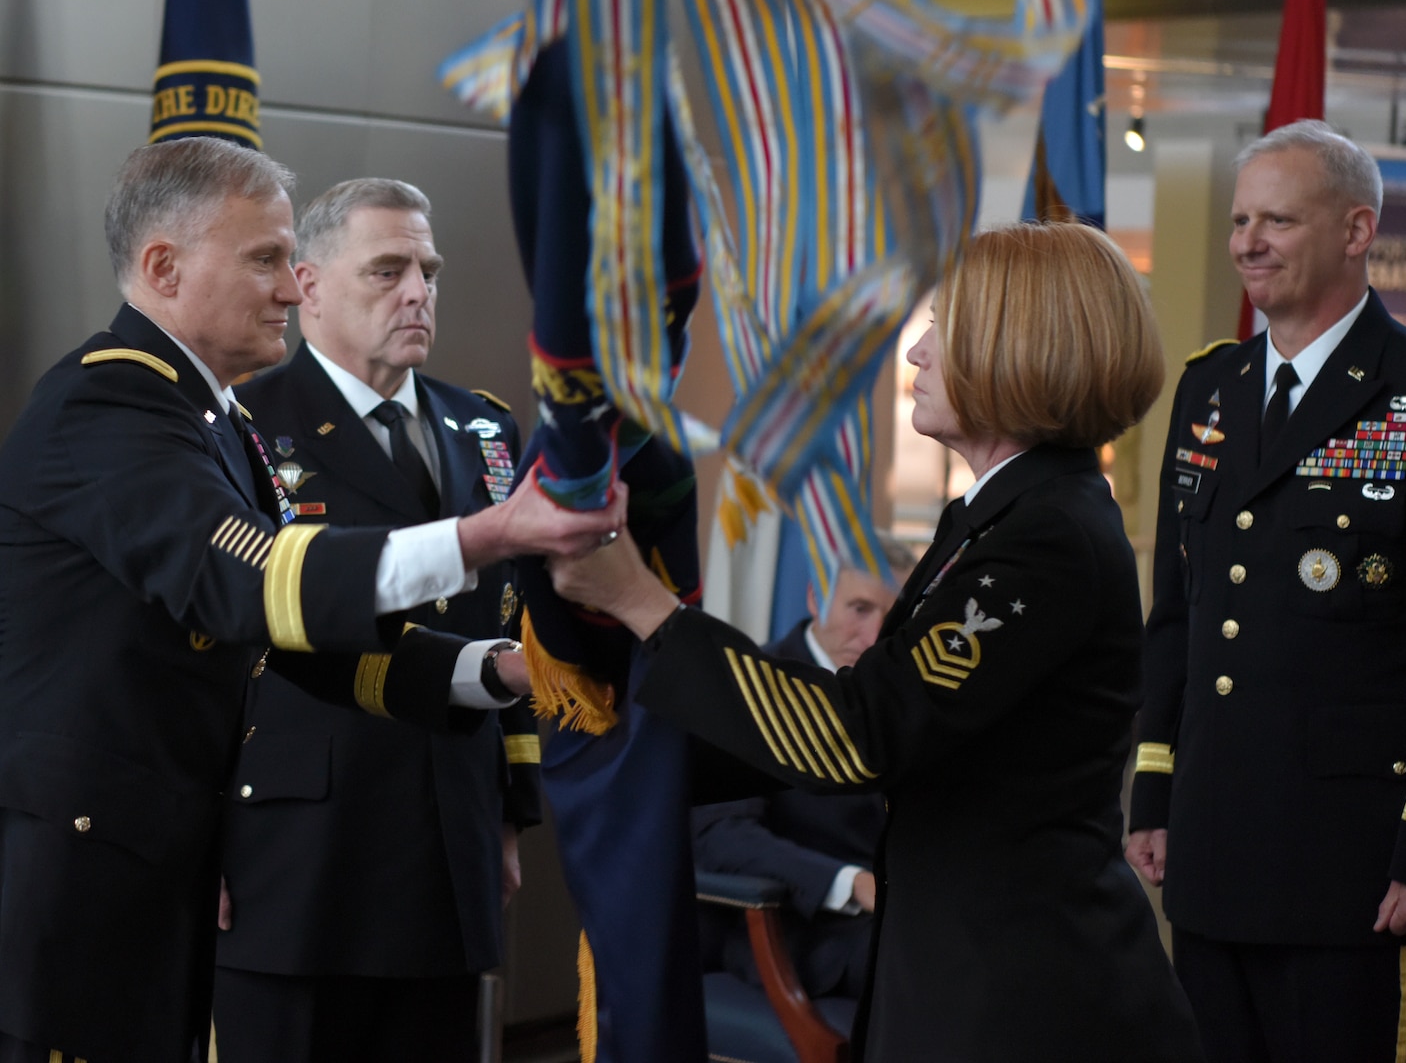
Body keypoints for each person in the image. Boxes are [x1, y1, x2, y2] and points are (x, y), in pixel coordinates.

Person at [0, 137, 622, 1063]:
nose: (291, 289)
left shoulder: (207, 415)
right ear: (164, 267)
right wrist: (491, 534)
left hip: (153, 866)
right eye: (263, 260)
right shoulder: (112, 406)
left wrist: (490, 672)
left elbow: (293, 644)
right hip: (84, 886)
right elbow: (261, 583)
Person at [550, 222, 1205, 1062]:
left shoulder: (1045, 537)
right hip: (961, 969)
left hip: (1023, 996)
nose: (919, 353)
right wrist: (615, 743)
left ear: (1017, 347)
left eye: (945, 326)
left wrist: (643, 604)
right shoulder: (1001, 518)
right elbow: (845, 734)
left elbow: (860, 734)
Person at [1126, 119, 1406, 1062]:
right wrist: (1155, 792)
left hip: (1362, 874)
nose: (1249, 243)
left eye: (1279, 221)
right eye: (1241, 219)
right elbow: (1177, 610)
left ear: (1357, 229)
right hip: (1216, 856)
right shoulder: (1209, 389)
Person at [212, 178, 541, 1063]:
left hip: (448, 827)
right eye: (388, 270)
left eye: (428, 272)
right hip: (296, 849)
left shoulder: (486, 428)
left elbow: (508, 613)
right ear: (308, 285)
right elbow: (201, 649)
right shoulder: (242, 423)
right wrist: (194, 835)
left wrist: (508, 809)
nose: (418, 293)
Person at [693, 543, 913, 1002]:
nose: (874, 635)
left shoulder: (907, 699)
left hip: (904, 914)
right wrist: (849, 883)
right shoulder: (752, 692)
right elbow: (721, 836)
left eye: (892, 617)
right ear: (815, 597)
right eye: (859, 608)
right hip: (795, 929)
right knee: (940, 965)